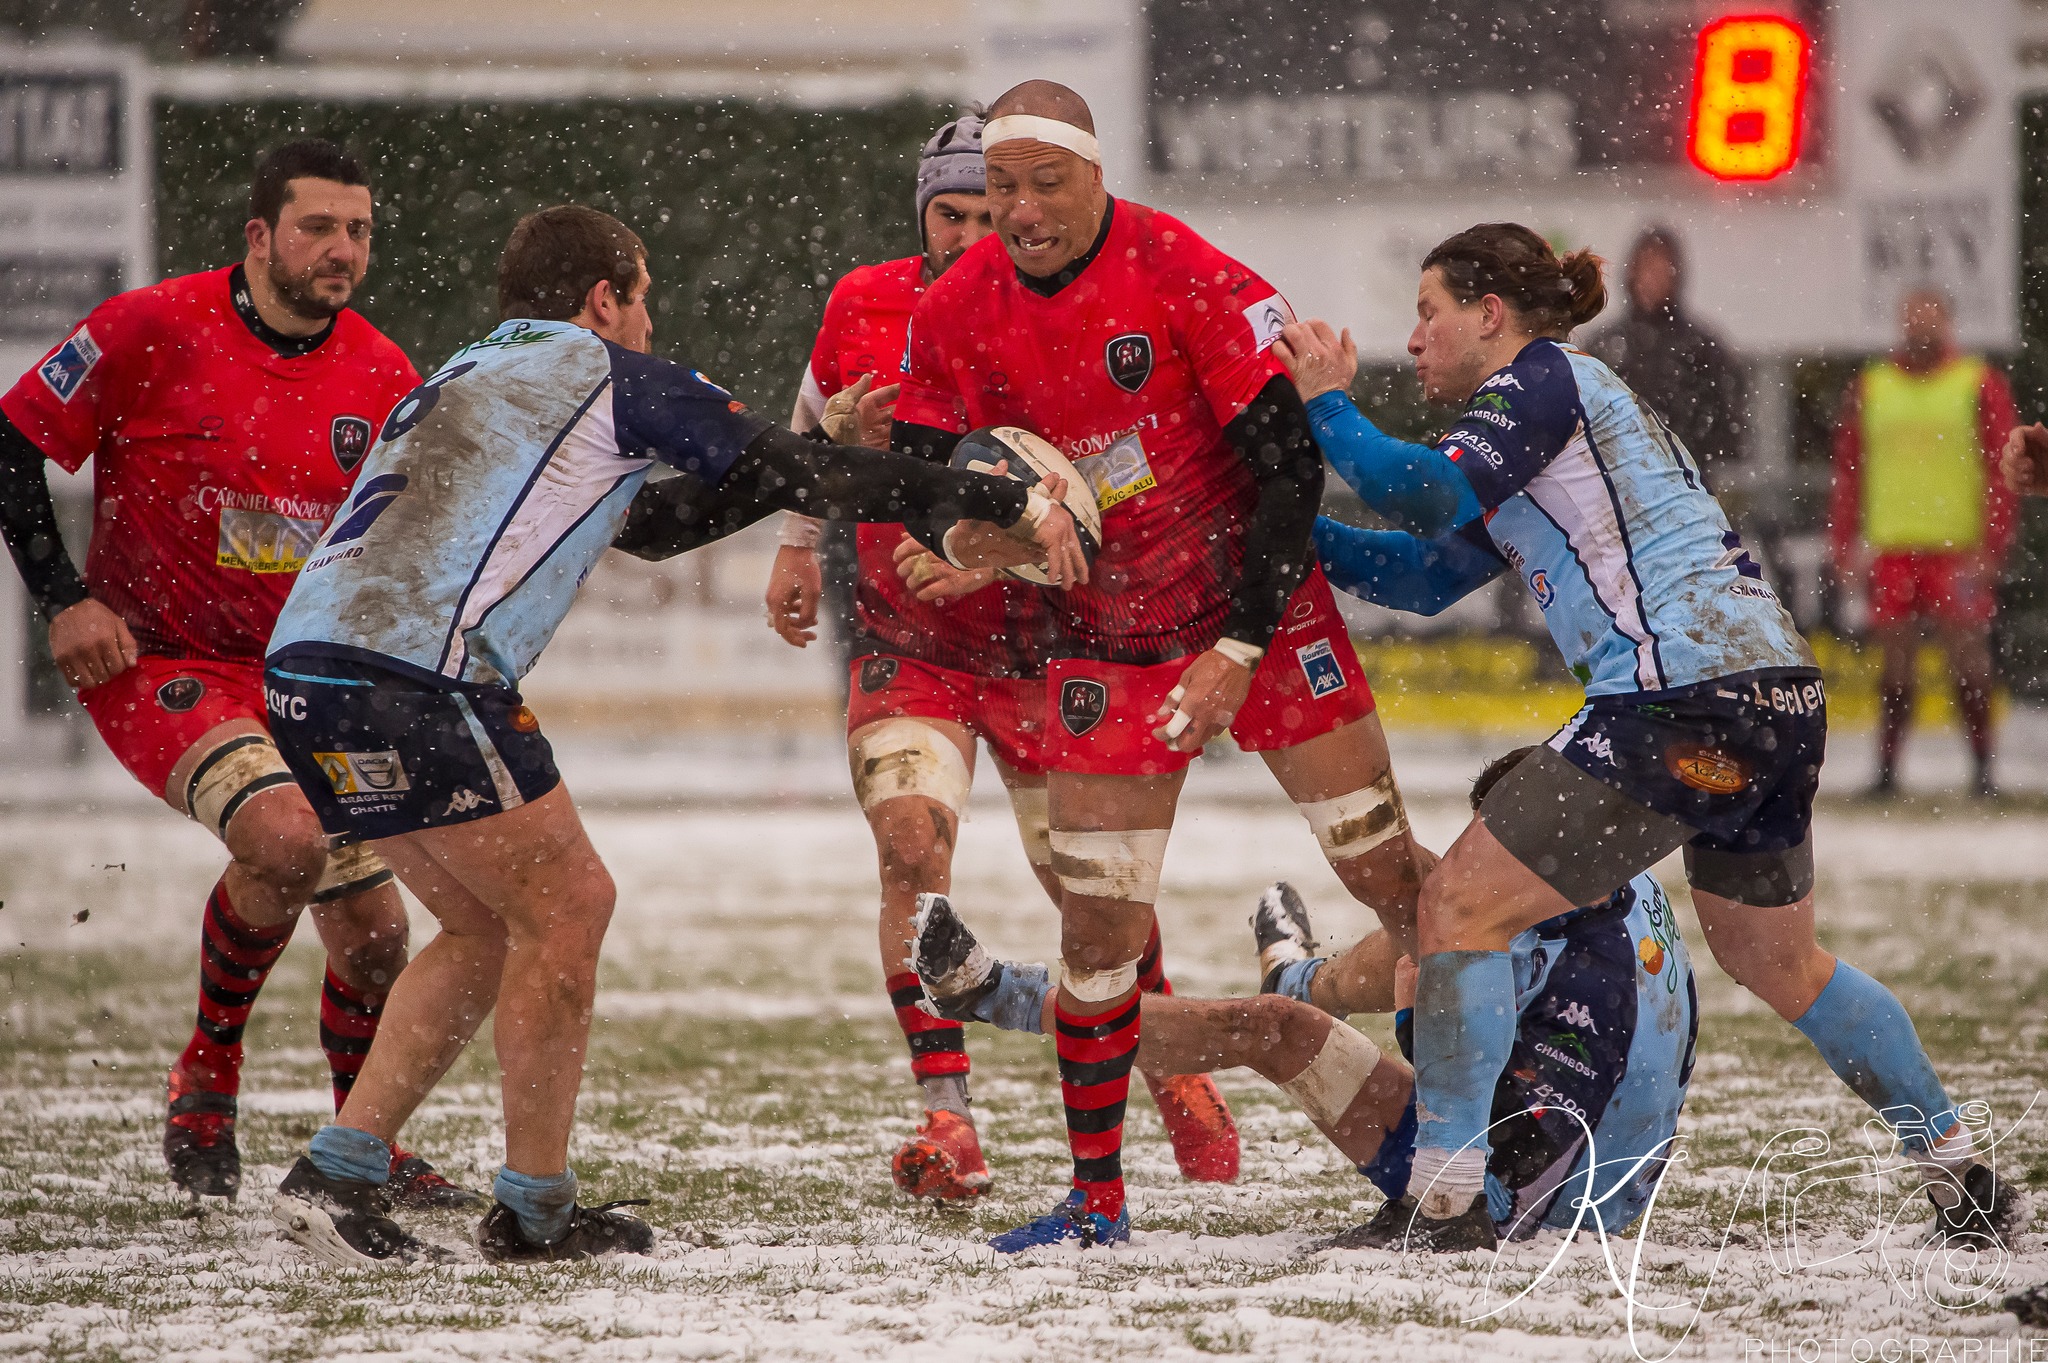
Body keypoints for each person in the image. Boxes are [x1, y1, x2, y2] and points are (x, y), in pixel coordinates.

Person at [259, 203, 1085, 1265]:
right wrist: (992, 497)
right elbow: (801, 476)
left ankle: (340, 1169)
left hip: (307, 670)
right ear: (605, 300)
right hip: (414, 673)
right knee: (571, 905)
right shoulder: (611, 372)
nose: (651, 322)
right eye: (643, 298)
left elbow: (648, 528)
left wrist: (819, 448)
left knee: (483, 927)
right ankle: (531, 1211)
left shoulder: (465, 368)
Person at [1274, 222, 2013, 1252]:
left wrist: (1324, 403)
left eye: (1428, 313)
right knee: (1778, 962)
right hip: (1775, 700)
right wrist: (1281, 531)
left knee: (1455, 906)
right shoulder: (1546, 422)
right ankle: (1957, 1168)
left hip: (1682, 700)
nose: (1414, 338)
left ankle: (1443, 1201)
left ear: (1490, 316)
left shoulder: (1537, 381)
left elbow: (1422, 490)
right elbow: (1417, 576)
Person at [889, 80, 1432, 1251]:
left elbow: (1289, 471)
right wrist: (981, 538)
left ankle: (1478, 1131)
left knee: (1389, 875)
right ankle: (1096, 1203)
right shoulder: (953, 311)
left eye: (1045, 185)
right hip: (1106, 641)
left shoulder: (1182, 267)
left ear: (1097, 177)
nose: (1020, 212)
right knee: (1100, 931)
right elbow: (922, 489)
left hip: (1263, 619)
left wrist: (1237, 647)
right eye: (1000, 189)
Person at [748, 113, 1237, 1202]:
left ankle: (1171, 1062)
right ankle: (948, 1117)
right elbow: (814, 410)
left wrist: (990, 555)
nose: (981, 230)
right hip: (906, 642)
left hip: (1037, 645)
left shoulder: (1054, 309)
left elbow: (1091, 491)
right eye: (954, 212)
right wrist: (800, 526)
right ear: (924, 211)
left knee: (1086, 891)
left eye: (994, 210)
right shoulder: (862, 301)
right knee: (908, 847)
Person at [0, 139, 477, 1208]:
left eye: (358, 229)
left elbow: (406, 546)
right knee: (283, 836)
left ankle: (360, 1144)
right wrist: (61, 596)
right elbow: (9, 439)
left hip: (305, 681)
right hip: (162, 662)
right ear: (259, 235)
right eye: (318, 227)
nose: (342, 249)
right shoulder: (149, 326)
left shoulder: (385, 372)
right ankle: (209, 1070)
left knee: (376, 936)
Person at [913, 745, 1699, 1245]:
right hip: (1615, 1186)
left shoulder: (1577, 972)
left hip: (1527, 1201)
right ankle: (1294, 973)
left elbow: (1477, 1108)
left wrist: (1406, 1009)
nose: (1481, 856)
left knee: (1283, 1025)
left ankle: (996, 995)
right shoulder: (1610, 890)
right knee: (1435, 921)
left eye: (1492, 842)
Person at [1828, 288, 2017, 799]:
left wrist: (1992, 545)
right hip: (1893, 547)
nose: (1920, 327)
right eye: (1912, 318)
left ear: (1949, 324)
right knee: (1895, 664)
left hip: (1957, 547)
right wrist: (1843, 541)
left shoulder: (1976, 383)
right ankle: (1887, 772)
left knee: (1969, 659)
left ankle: (1982, 771)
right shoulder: (1873, 385)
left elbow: (2005, 468)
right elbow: (1849, 468)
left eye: (1930, 318)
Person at [1583, 226, 1745, 490]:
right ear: (1632, 273)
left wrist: (1684, 448)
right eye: (1646, 267)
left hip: (1687, 488)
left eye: (1662, 268)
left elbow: (1729, 427)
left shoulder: (1702, 346)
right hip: (1616, 491)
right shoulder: (1605, 345)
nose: (1653, 278)